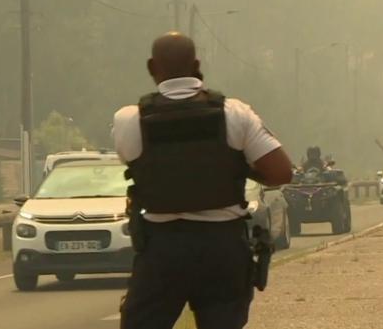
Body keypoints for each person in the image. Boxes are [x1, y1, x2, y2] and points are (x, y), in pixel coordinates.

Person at [113, 32, 292, 329]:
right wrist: (239, 166)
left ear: (151, 67)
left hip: (161, 250)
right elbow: (281, 172)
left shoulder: (129, 120)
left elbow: (136, 162)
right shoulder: (234, 114)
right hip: (221, 246)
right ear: (197, 64)